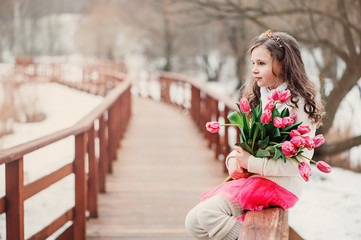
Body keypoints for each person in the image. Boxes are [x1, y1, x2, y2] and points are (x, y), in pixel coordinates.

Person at [184, 30, 325, 240]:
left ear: (283, 64)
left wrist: (250, 162)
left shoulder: (298, 104)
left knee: (207, 215)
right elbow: (251, 146)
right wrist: (234, 159)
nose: (254, 70)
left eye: (261, 64)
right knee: (194, 222)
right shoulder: (263, 97)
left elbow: (297, 165)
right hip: (257, 178)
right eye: (253, 63)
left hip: (280, 185)